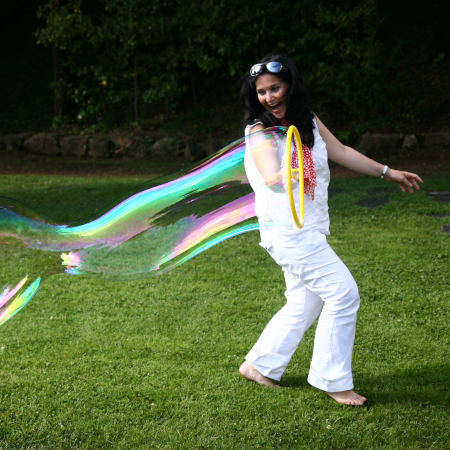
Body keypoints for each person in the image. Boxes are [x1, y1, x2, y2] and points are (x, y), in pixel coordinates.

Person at [238, 54, 423, 406]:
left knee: (304, 300)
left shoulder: (306, 120)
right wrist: (281, 176)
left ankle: (260, 365)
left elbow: (339, 150)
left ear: (290, 85)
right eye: (261, 92)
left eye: (275, 88)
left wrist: (389, 172)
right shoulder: (259, 130)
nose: (269, 97)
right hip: (289, 231)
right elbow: (269, 173)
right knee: (343, 293)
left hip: (309, 226)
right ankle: (332, 380)